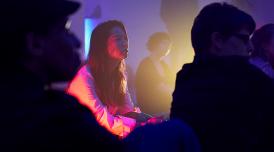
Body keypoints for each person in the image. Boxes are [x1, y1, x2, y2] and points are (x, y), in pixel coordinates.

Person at [0, 0, 122, 151]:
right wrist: (156, 129)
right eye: (66, 29)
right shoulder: (58, 118)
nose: (77, 42)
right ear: (35, 44)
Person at [170, 2, 274, 152]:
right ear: (217, 40)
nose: (251, 47)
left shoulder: (186, 77)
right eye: (244, 39)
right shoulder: (251, 81)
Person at [67, 20, 152, 138]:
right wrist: (138, 122)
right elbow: (102, 120)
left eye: (125, 38)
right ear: (102, 45)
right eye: (118, 39)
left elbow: (127, 110)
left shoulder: (118, 75)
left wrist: (146, 119)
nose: (125, 43)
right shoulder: (85, 76)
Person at [135, 32, 174, 117]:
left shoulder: (165, 65)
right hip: (151, 110)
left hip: (165, 108)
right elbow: (155, 87)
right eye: (164, 43)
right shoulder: (145, 64)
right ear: (155, 43)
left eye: (169, 45)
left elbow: (172, 83)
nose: (167, 47)